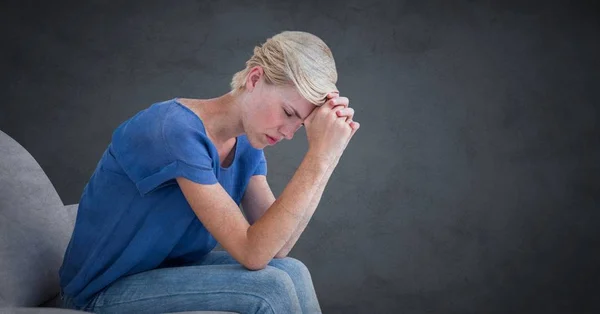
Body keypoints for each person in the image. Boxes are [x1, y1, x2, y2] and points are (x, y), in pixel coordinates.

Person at [59, 30, 360, 314]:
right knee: (269, 287)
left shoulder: (247, 144)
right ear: (255, 78)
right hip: (99, 290)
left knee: (293, 270)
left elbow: (278, 247)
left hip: (162, 273)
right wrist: (318, 156)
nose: (290, 132)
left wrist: (329, 155)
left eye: (301, 123)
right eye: (289, 113)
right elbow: (252, 252)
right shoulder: (175, 130)